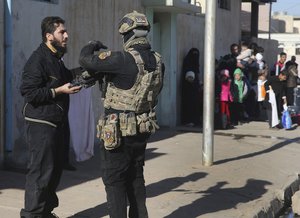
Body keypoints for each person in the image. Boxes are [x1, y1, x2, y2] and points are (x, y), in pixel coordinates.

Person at [79, 11, 164, 218]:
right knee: (135, 176)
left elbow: (85, 60)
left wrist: (92, 44)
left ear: (127, 34)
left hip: (117, 133)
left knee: (114, 180)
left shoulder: (123, 59)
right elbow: (155, 93)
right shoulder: (157, 60)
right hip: (141, 129)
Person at [20, 16, 82, 218]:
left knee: (54, 171)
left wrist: (91, 68)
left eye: (65, 31)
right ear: (49, 36)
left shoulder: (55, 58)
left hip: (57, 122)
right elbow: (29, 92)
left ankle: (45, 213)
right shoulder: (38, 60)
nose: (66, 35)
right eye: (61, 32)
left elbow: (67, 77)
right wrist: (59, 91)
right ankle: (32, 215)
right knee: (40, 173)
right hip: (41, 124)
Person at [181, 48, 202, 127]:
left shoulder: (195, 64)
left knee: (195, 104)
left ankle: (194, 120)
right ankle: (189, 120)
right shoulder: (188, 63)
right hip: (188, 89)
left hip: (195, 88)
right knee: (189, 104)